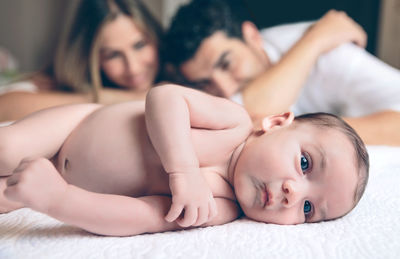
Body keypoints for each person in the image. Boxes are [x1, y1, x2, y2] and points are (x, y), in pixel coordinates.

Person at [0, 84, 369, 236]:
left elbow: (140, 217)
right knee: (7, 147)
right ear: (274, 124)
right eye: (304, 164)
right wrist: (183, 170)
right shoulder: (233, 122)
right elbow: (165, 97)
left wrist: (57, 200)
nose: (293, 192)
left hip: (64, 182)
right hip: (74, 127)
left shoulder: (219, 206)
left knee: (8, 198)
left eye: (308, 209)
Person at [165, 0, 400, 146]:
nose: (224, 89)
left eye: (226, 64)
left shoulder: (333, 54)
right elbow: (250, 115)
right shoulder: (319, 40)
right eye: (205, 82)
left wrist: (301, 131)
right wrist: (315, 40)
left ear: (252, 36)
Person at [0, 0, 163, 122]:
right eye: (113, 55)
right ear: (91, 58)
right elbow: (4, 107)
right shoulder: (61, 85)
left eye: (140, 45)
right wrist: (109, 97)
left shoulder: (178, 73)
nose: (133, 68)